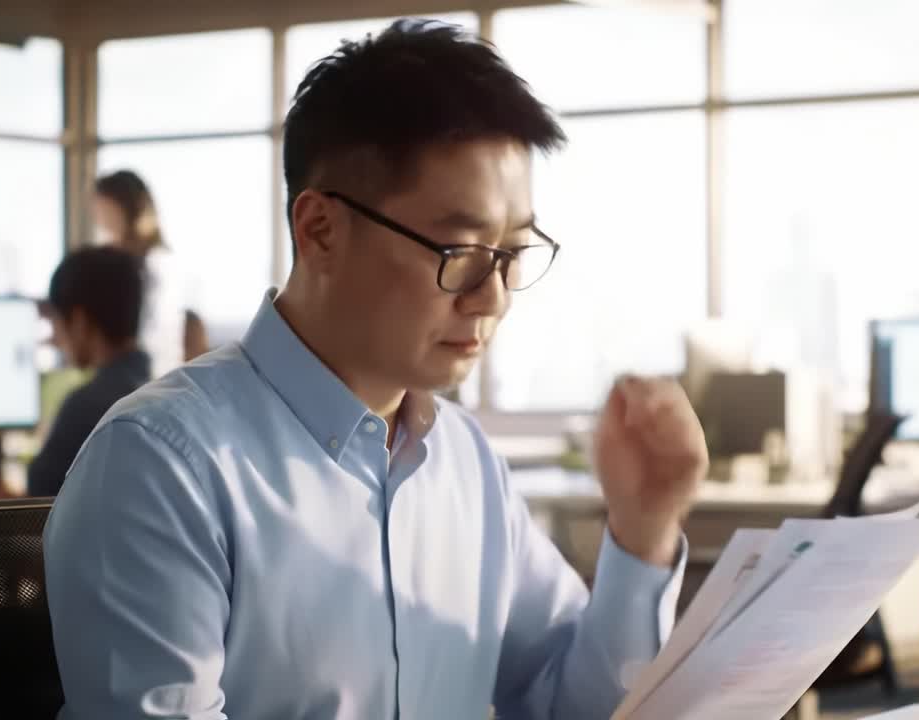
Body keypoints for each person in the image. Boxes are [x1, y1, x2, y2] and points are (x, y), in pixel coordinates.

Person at [44, 20, 707, 720]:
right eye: (460, 251)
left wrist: (643, 529)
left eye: (512, 253)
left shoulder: (465, 462)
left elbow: (576, 708)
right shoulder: (163, 464)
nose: (493, 296)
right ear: (320, 230)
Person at [0, 246, 150, 503]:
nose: (53, 338)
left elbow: (44, 523)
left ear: (79, 321)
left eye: (54, 321)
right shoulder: (150, 391)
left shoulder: (87, 406)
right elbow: (64, 505)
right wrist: (10, 499)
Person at [93, 169, 209, 375]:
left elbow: (159, 336)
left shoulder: (158, 267)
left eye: (105, 213)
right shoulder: (156, 264)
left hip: (153, 378)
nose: (101, 223)